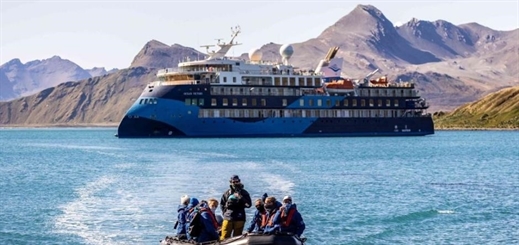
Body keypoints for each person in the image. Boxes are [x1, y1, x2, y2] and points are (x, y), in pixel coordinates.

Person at [220, 175, 252, 241]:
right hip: (228, 217)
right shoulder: (227, 193)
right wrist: (225, 213)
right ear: (231, 182)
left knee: (237, 238)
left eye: (237, 181)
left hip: (239, 217)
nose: (235, 183)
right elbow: (222, 204)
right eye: (233, 182)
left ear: (239, 181)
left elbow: (248, 205)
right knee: (224, 237)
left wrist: (241, 198)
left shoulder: (244, 193)